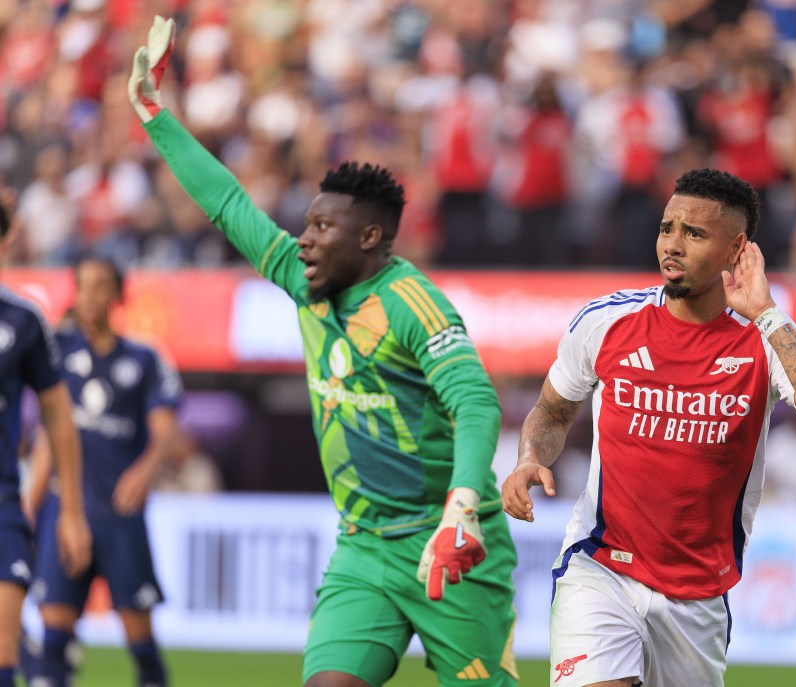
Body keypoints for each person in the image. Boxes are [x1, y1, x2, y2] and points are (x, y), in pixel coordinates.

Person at [128, 18, 518, 687]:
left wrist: (460, 508)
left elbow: (476, 400)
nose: (302, 239)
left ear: (371, 238)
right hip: (363, 547)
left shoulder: (413, 305)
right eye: (306, 224)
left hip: (449, 543)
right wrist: (154, 115)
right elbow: (227, 203)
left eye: (321, 227)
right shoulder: (303, 282)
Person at [502, 168, 796, 687]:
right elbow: (553, 411)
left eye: (693, 234)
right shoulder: (606, 323)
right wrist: (530, 456)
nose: (671, 244)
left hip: (699, 595)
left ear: (737, 249)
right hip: (602, 567)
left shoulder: (764, 338)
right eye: (667, 228)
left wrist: (765, 311)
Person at [21, 256, 182, 687]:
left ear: (117, 294)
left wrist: (143, 472)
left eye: (100, 285)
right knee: (53, 632)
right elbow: (46, 441)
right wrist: (28, 510)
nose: (89, 295)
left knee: (140, 642)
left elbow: (166, 432)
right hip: (63, 508)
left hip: (119, 514)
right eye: (83, 285)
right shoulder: (58, 352)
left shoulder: (144, 358)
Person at [0, 194, 91, 687]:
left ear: (6, 240)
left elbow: (58, 418)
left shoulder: (23, 321)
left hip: (2, 507)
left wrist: (72, 512)